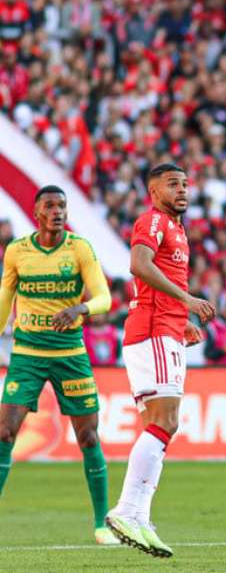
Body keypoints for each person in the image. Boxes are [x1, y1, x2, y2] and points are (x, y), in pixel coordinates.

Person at [106, 163, 215, 558]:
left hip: (164, 328)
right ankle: (126, 510)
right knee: (165, 422)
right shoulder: (152, 221)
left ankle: (140, 515)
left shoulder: (178, 229)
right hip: (152, 331)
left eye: (186, 183)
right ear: (154, 191)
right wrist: (186, 301)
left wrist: (180, 319)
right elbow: (138, 264)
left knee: (161, 425)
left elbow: (155, 279)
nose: (183, 190)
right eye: (173, 184)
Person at [0, 186, 118, 545]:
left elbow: (104, 297)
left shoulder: (80, 248)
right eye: (50, 206)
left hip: (70, 355)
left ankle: (102, 524)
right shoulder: (17, 250)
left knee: (88, 436)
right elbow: (5, 298)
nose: (58, 211)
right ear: (37, 211)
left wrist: (80, 308)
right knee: (5, 432)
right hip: (28, 354)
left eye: (62, 205)